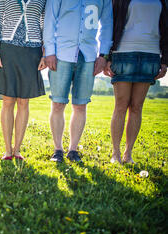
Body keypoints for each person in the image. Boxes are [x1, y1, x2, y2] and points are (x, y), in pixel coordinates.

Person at [44, 0, 113, 162]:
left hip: (88, 55)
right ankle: (58, 149)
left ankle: (73, 150)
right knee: (58, 103)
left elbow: (107, 24)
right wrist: (50, 52)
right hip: (61, 53)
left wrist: (103, 55)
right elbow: (50, 20)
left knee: (81, 105)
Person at [104, 0, 168, 164]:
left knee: (137, 106)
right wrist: (107, 57)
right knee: (121, 104)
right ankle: (115, 153)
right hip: (123, 52)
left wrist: (165, 61)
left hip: (151, 54)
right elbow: (110, 23)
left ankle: (128, 153)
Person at [0, 0, 47, 161]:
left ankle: (17, 150)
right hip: (8, 49)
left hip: (32, 51)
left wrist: (45, 53)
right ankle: (8, 150)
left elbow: (44, 22)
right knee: (8, 101)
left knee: (24, 101)